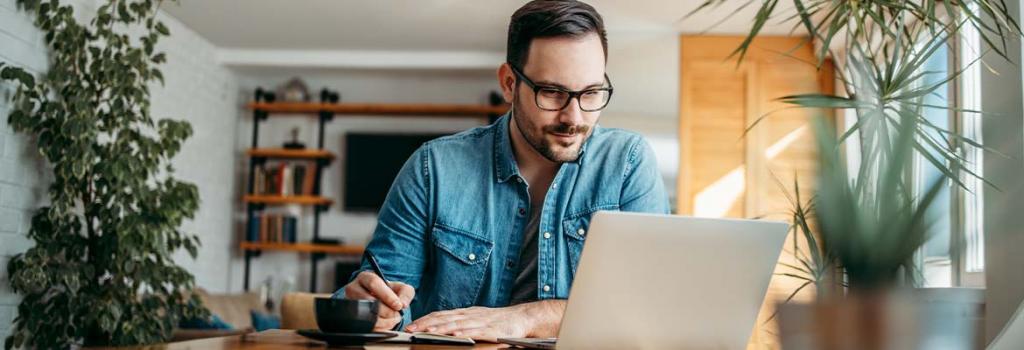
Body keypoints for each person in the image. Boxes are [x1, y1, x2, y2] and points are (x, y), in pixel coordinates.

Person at [335, 0, 669, 342]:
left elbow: (651, 305)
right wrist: (372, 309)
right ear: (509, 83)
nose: (575, 117)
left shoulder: (628, 163)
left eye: (592, 92)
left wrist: (527, 318)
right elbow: (380, 298)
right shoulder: (432, 169)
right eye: (552, 93)